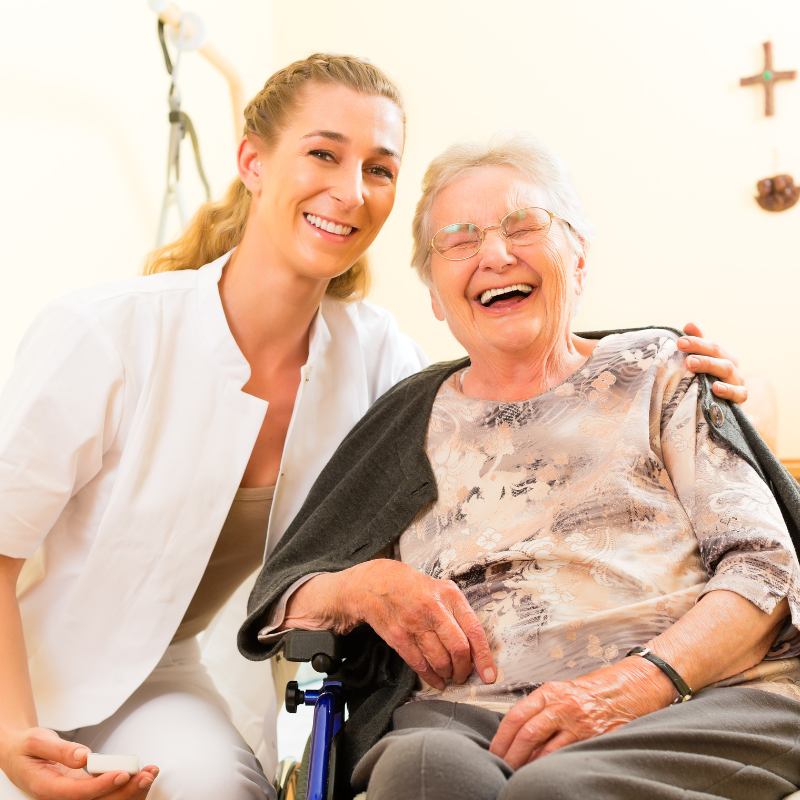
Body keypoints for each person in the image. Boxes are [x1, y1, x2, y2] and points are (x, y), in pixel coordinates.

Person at [240, 130, 800, 800]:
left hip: (700, 698)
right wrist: (361, 585)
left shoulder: (662, 369)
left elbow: (766, 566)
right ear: (435, 297)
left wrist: (635, 684)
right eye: (460, 239)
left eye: (523, 226)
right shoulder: (407, 418)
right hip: (467, 714)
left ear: (580, 257)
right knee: (421, 774)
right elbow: (284, 598)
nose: (496, 254)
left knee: (554, 790)